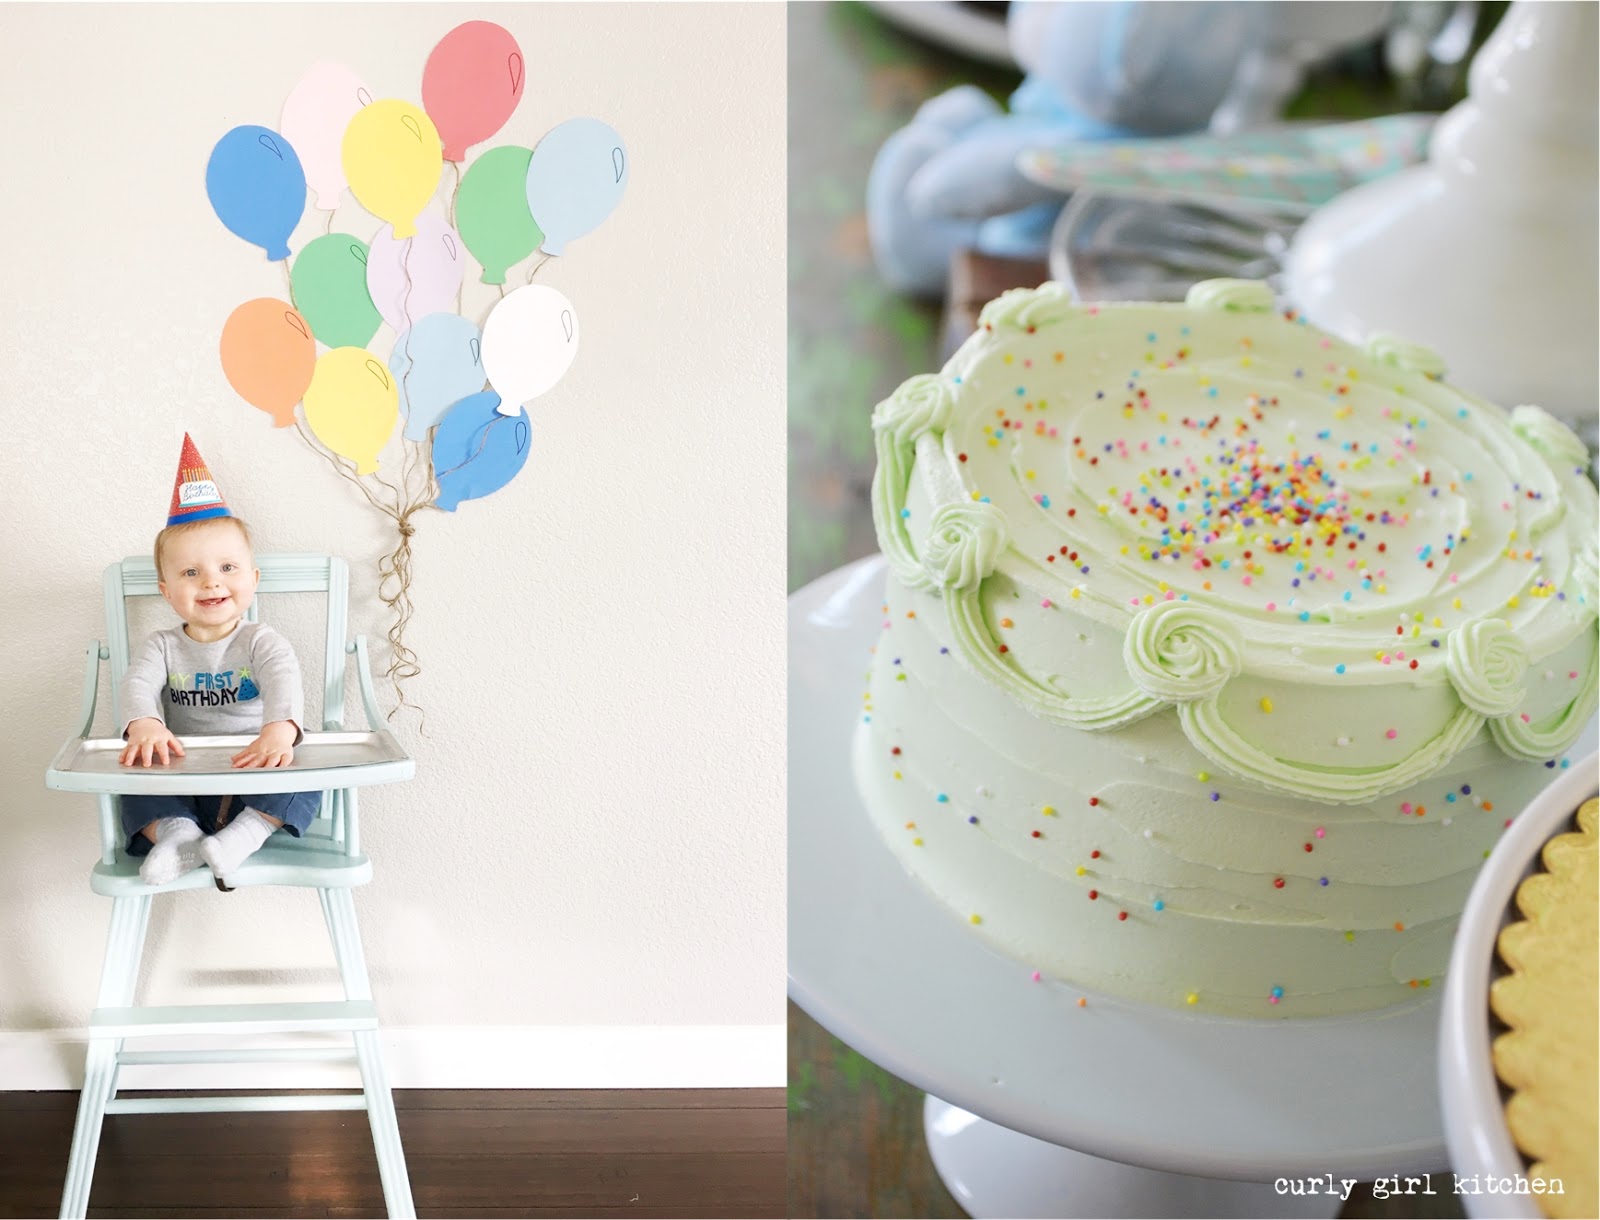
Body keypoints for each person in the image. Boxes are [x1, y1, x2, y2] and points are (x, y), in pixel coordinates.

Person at [119, 434, 320, 887]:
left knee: (307, 773)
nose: (211, 582)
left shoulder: (260, 641)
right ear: (167, 591)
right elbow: (137, 683)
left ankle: (243, 837)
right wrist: (145, 723)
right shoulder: (162, 645)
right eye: (191, 573)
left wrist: (278, 731)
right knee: (132, 775)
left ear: (253, 579)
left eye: (227, 568)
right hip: (184, 776)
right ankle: (176, 835)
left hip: (255, 769)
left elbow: (283, 679)